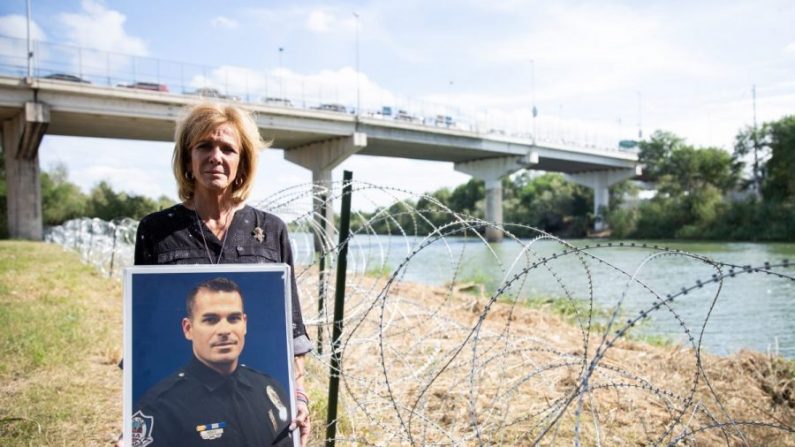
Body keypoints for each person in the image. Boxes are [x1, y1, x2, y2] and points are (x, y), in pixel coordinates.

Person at [132, 102, 311, 445]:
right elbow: (142, 334)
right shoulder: (155, 231)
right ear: (187, 158)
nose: (216, 156)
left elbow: (293, 333)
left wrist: (298, 397)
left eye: (228, 148)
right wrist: (136, 424)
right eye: (204, 146)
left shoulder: (271, 230)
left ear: (242, 162)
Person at [133, 278, 294, 446]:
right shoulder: (159, 408)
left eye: (233, 318)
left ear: (244, 324)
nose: (225, 330)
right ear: (188, 329)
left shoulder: (269, 390)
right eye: (211, 320)